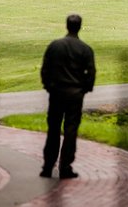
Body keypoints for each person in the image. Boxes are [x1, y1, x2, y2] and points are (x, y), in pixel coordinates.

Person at [39, 13, 96, 179]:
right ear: (80, 26)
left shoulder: (55, 45)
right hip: (75, 94)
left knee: (54, 129)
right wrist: (85, 88)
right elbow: (91, 72)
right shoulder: (85, 49)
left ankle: (48, 166)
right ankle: (65, 166)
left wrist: (48, 86)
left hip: (56, 92)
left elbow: (45, 68)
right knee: (71, 130)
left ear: (67, 26)